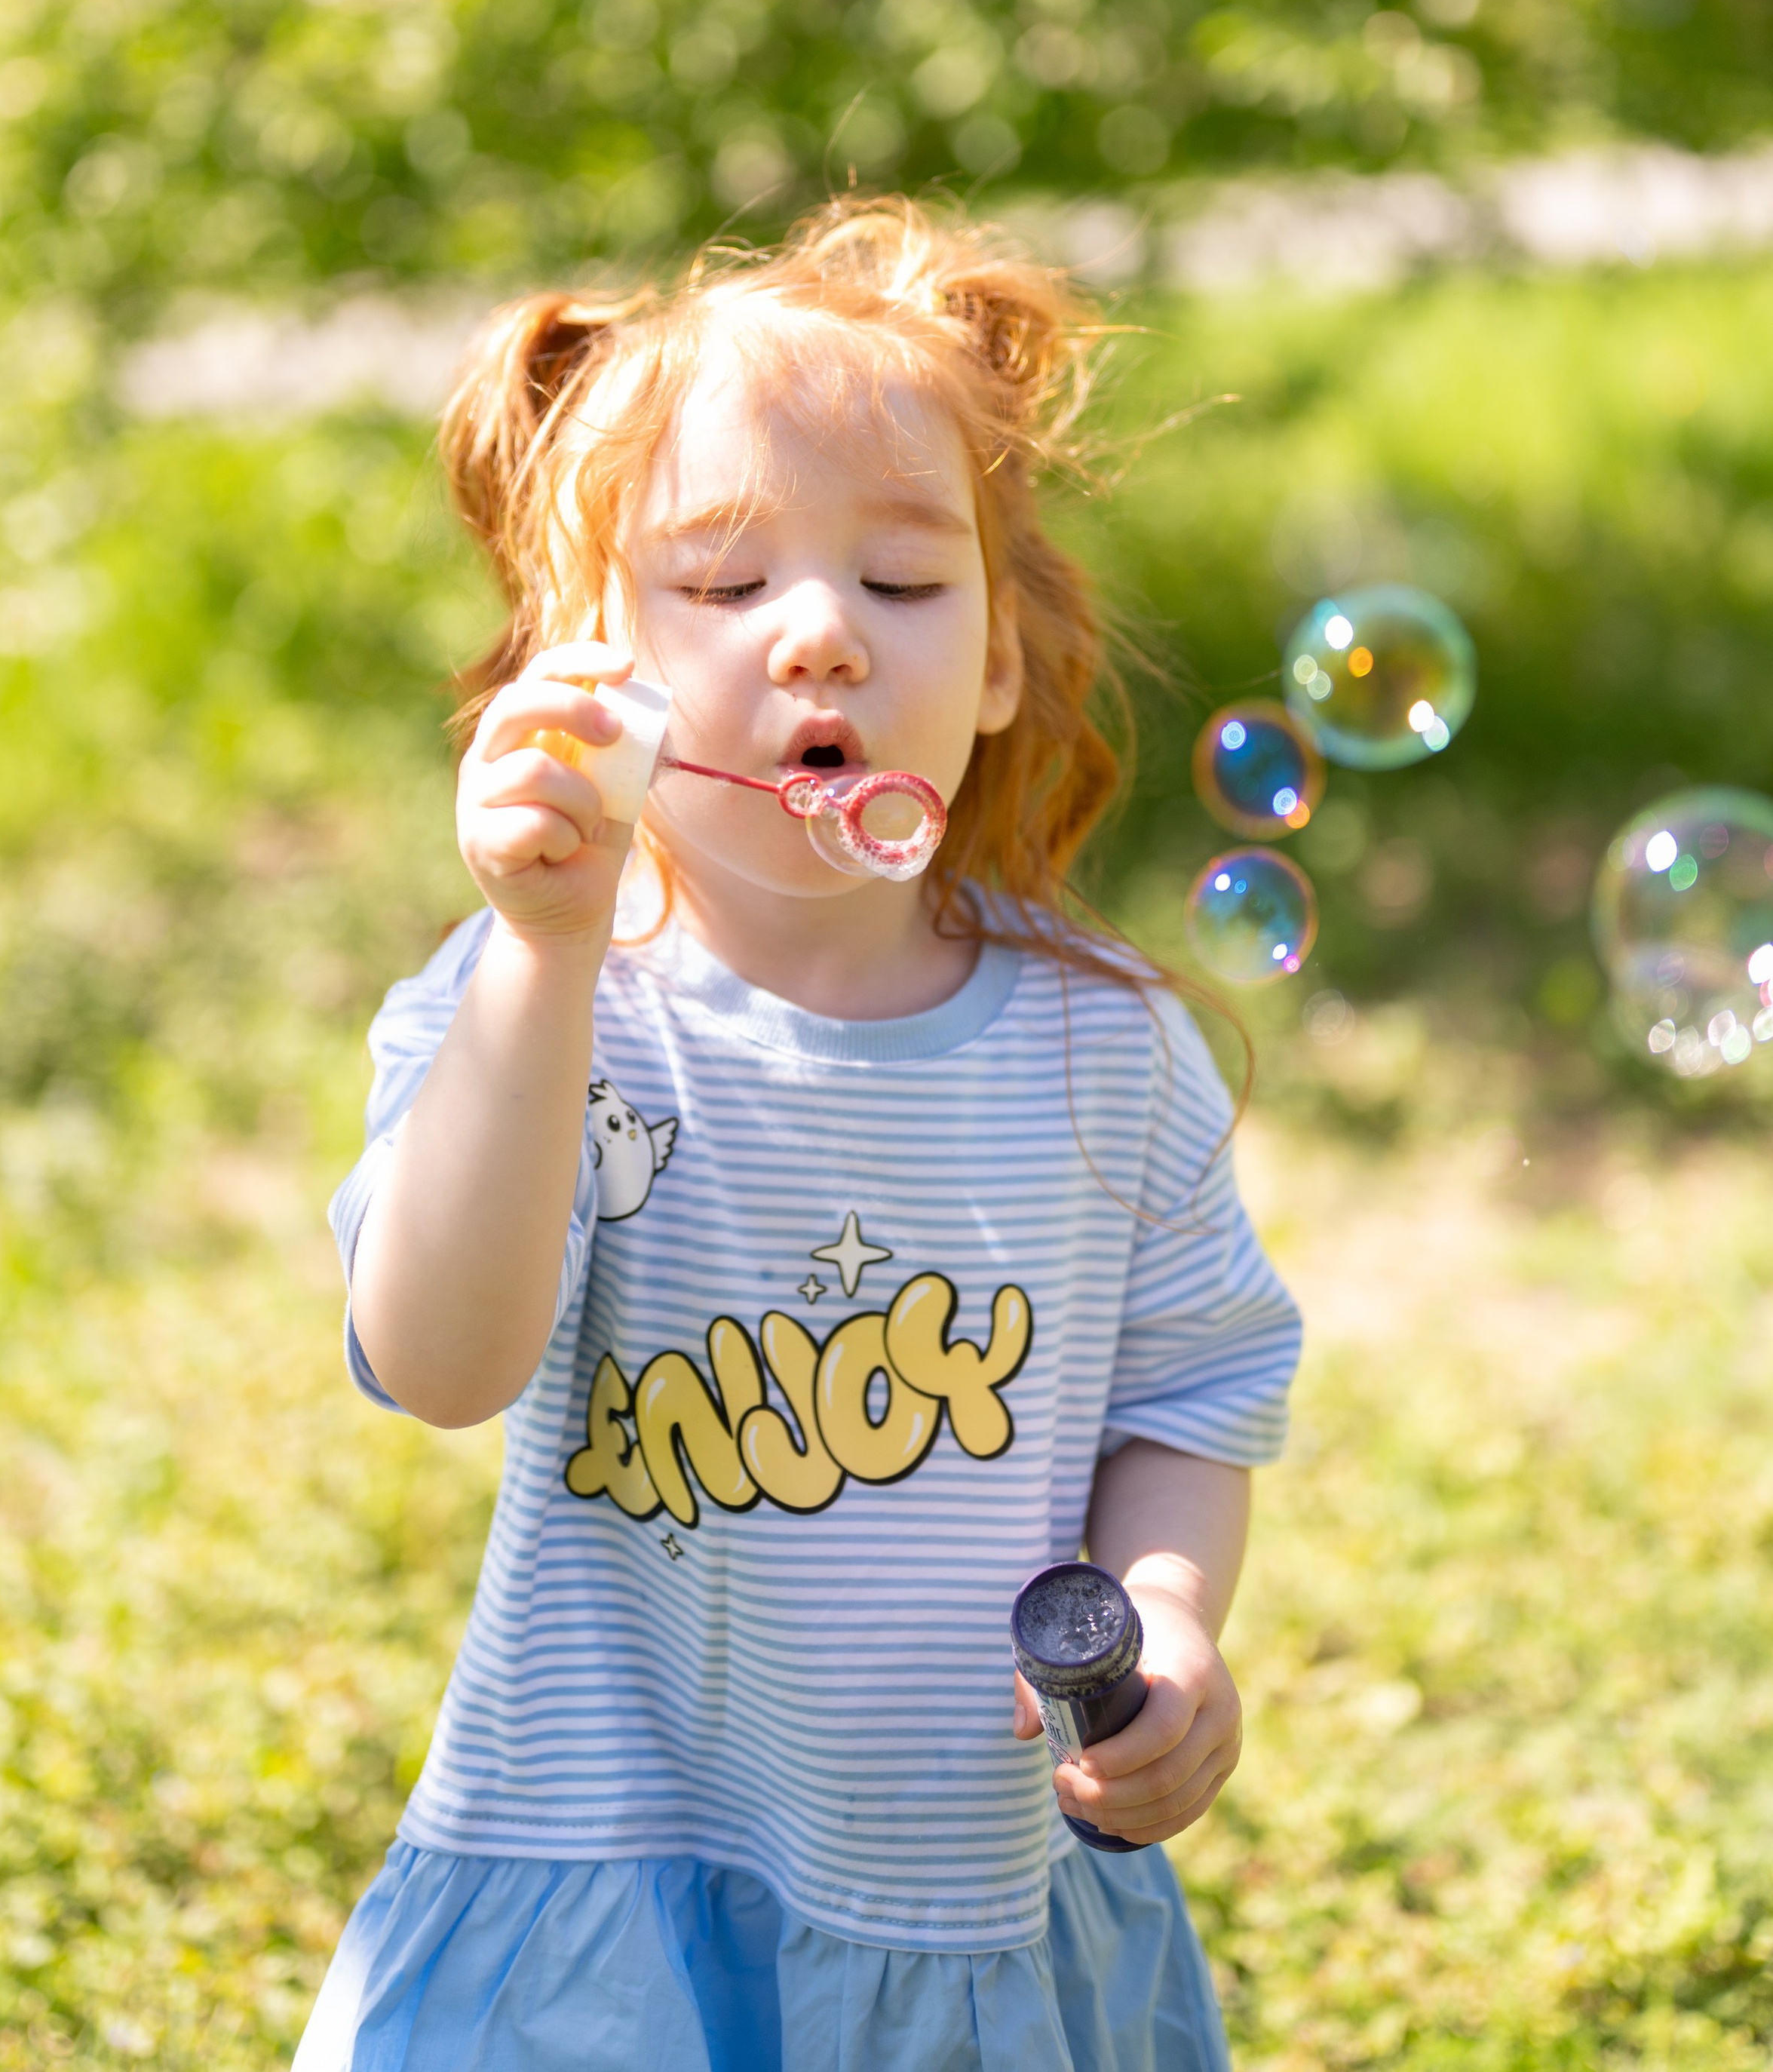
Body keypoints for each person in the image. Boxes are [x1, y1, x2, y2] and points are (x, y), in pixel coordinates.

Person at [294, 196, 1302, 2072]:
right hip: (601, 1864)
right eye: (724, 585)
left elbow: (1186, 1396)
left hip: (967, 1891)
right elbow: (439, 1361)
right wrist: (541, 952)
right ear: (587, 673)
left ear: (998, 662)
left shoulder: (1103, 1047)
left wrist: (1163, 1619)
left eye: (905, 586)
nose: (822, 636)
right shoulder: (542, 1000)